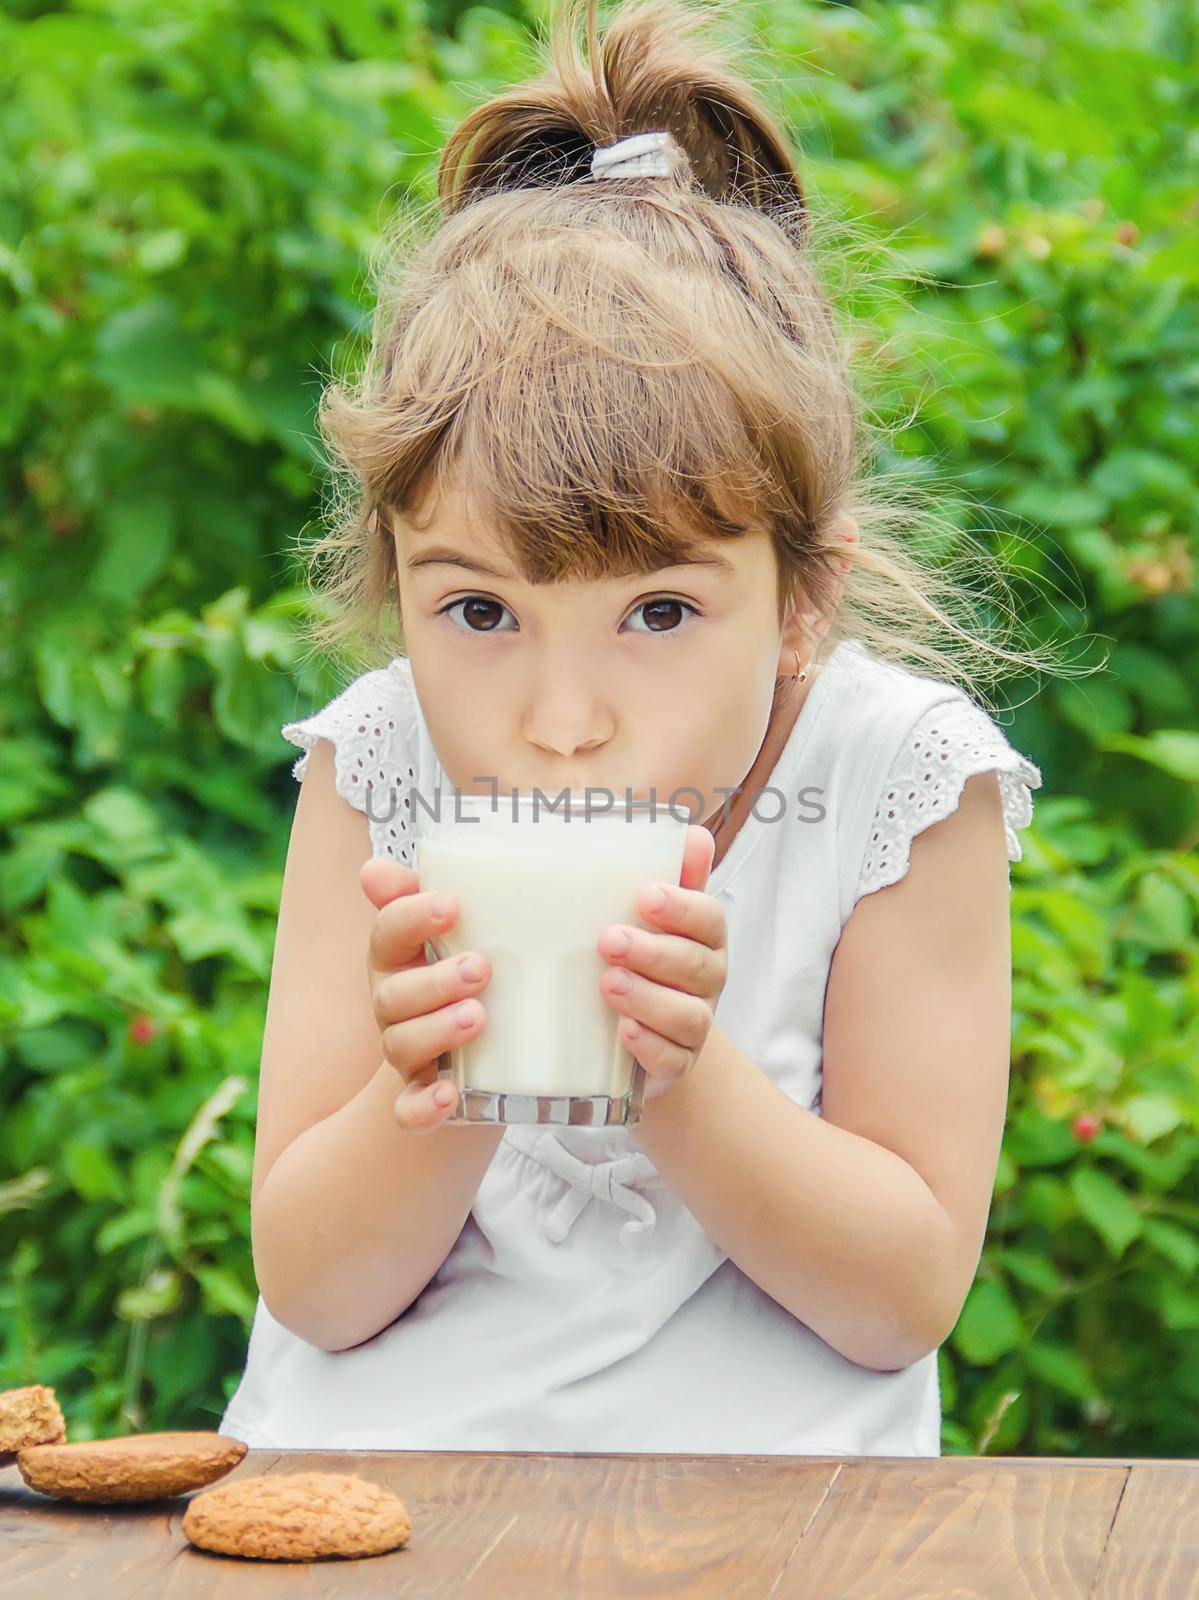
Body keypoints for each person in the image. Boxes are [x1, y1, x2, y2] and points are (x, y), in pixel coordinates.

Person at [219, 0, 1067, 1457]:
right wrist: (434, 1092)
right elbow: (313, 1285)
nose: (559, 723)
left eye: (659, 614)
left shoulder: (898, 783)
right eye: (480, 615)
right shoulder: (384, 764)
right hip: (390, 1496)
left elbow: (903, 1297)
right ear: (397, 586)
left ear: (803, 601)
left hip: (779, 1524)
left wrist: (679, 1082)